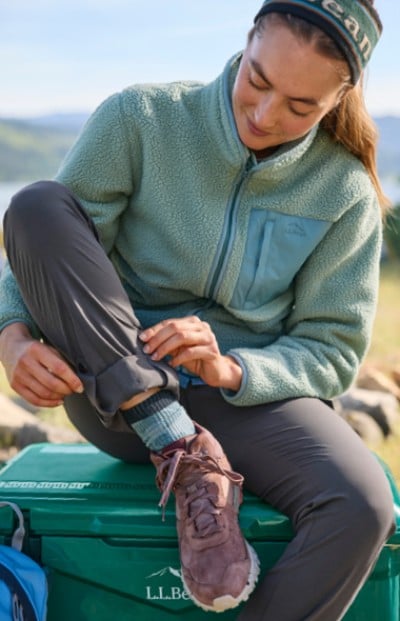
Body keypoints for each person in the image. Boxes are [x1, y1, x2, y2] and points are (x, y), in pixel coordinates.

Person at [0, 0, 396, 618]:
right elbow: (48, 247)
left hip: (245, 407)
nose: (265, 115)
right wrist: (14, 337)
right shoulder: (142, 118)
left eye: (300, 108)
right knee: (36, 205)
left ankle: (190, 455)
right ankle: (175, 444)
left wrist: (233, 368)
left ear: (338, 98)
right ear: (247, 42)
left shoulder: (344, 193)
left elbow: (332, 349)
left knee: (363, 504)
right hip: (114, 392)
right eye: (258, 82)